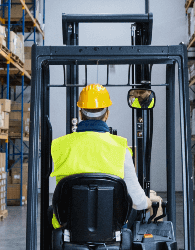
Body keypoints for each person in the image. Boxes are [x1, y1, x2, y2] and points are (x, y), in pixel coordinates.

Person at [49, 83, 151, 228]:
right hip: (111, 228)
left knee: (49, 211)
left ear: (80, 113)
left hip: (69, 228)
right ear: (107, 114)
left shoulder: (59, 145)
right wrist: (149, 200)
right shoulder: (120, 147)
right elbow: (138, 201)